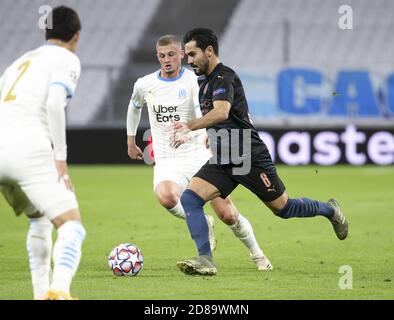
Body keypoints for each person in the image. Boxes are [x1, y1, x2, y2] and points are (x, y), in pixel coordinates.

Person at [173, 28, 349, 276]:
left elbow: (222, 112)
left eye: (192, 54)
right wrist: (211, 136)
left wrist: (189, 127)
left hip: (248, 156)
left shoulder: (225, 77)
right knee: (190, 198)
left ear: (209, 51)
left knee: (283, 209)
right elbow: (233, 116)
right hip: (224, 156)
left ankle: (330, 210)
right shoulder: (205, 82)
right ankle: (206, 260)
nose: (189, 61)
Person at [127, 34, 272, 271]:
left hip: (198, 155)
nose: (167, 60)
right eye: (162, 56)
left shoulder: (196, 81)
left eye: (172, 55)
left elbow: (213, 109)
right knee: (166, 196)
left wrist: (206, 132)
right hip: (167, 158)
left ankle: (258, 254)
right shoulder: (144, 84)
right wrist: (131, 140)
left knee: (228, 214)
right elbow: (134, 108)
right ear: (157, 57)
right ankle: (202, 222)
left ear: (182, 55)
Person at [0, 6, 85, 299]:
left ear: (45, 32)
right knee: (72, 226)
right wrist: (59, 158)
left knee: (39, 219)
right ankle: (59, 290)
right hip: (30, 149)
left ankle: (40, 295)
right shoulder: (66, 58)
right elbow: (53, 103)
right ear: (76, 36)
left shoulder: (19, 61)